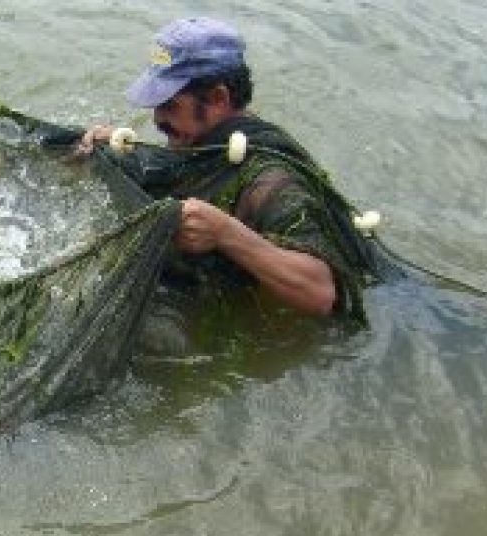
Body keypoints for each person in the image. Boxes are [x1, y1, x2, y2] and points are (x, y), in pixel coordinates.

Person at [77, 18, 376, 318]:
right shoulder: (210, 144)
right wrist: (115, 150)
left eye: (169, 105)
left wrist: (226, 234)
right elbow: (181, 168)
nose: (157, 119)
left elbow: (322, 291)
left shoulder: (271, 181)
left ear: (218, 99)